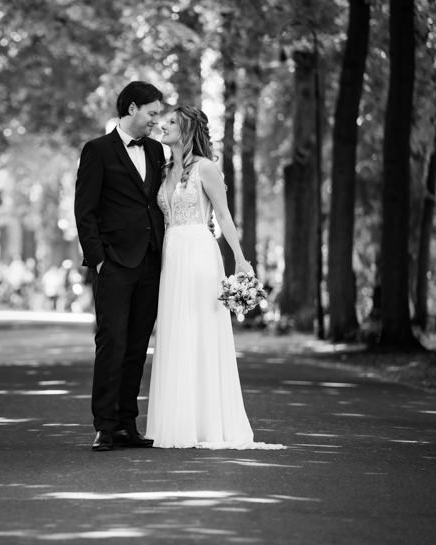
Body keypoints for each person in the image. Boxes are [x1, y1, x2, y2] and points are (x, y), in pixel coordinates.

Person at [145, 105, 283, 450]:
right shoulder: (163, 170)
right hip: (172, 255)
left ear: (189, 130)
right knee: (176, 331)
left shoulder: (205, 168)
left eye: (173, 122)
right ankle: (177, 422)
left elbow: (223, 215)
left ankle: (208, 422)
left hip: (199, 254)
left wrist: (240, 259)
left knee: (200, 331)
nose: (164, 125)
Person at [74, 81, 166, 451]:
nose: (156, 122)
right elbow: (85, 211)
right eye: (152, 113)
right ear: (131, 109)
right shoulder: (97, 151)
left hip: (151, 261)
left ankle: (128, 423)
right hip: (113, 262)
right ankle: (105, 425)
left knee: (138, 345)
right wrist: (98, 260)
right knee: (111, 342)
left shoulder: (158, 151)